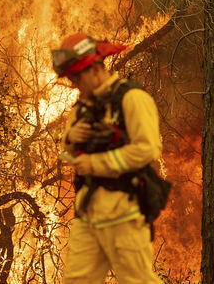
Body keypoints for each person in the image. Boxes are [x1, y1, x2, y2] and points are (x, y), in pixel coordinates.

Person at [52, 33, 163, 283]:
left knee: (138, 281)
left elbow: (148, 149)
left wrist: (96, 164)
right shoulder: (82, 106)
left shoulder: (132, 98)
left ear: (93, 68)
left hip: (122, 213)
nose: (74, 84)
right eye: (71, 78)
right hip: (88, 215)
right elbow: (69, 148)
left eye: (76, 77)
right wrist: (71, 138)